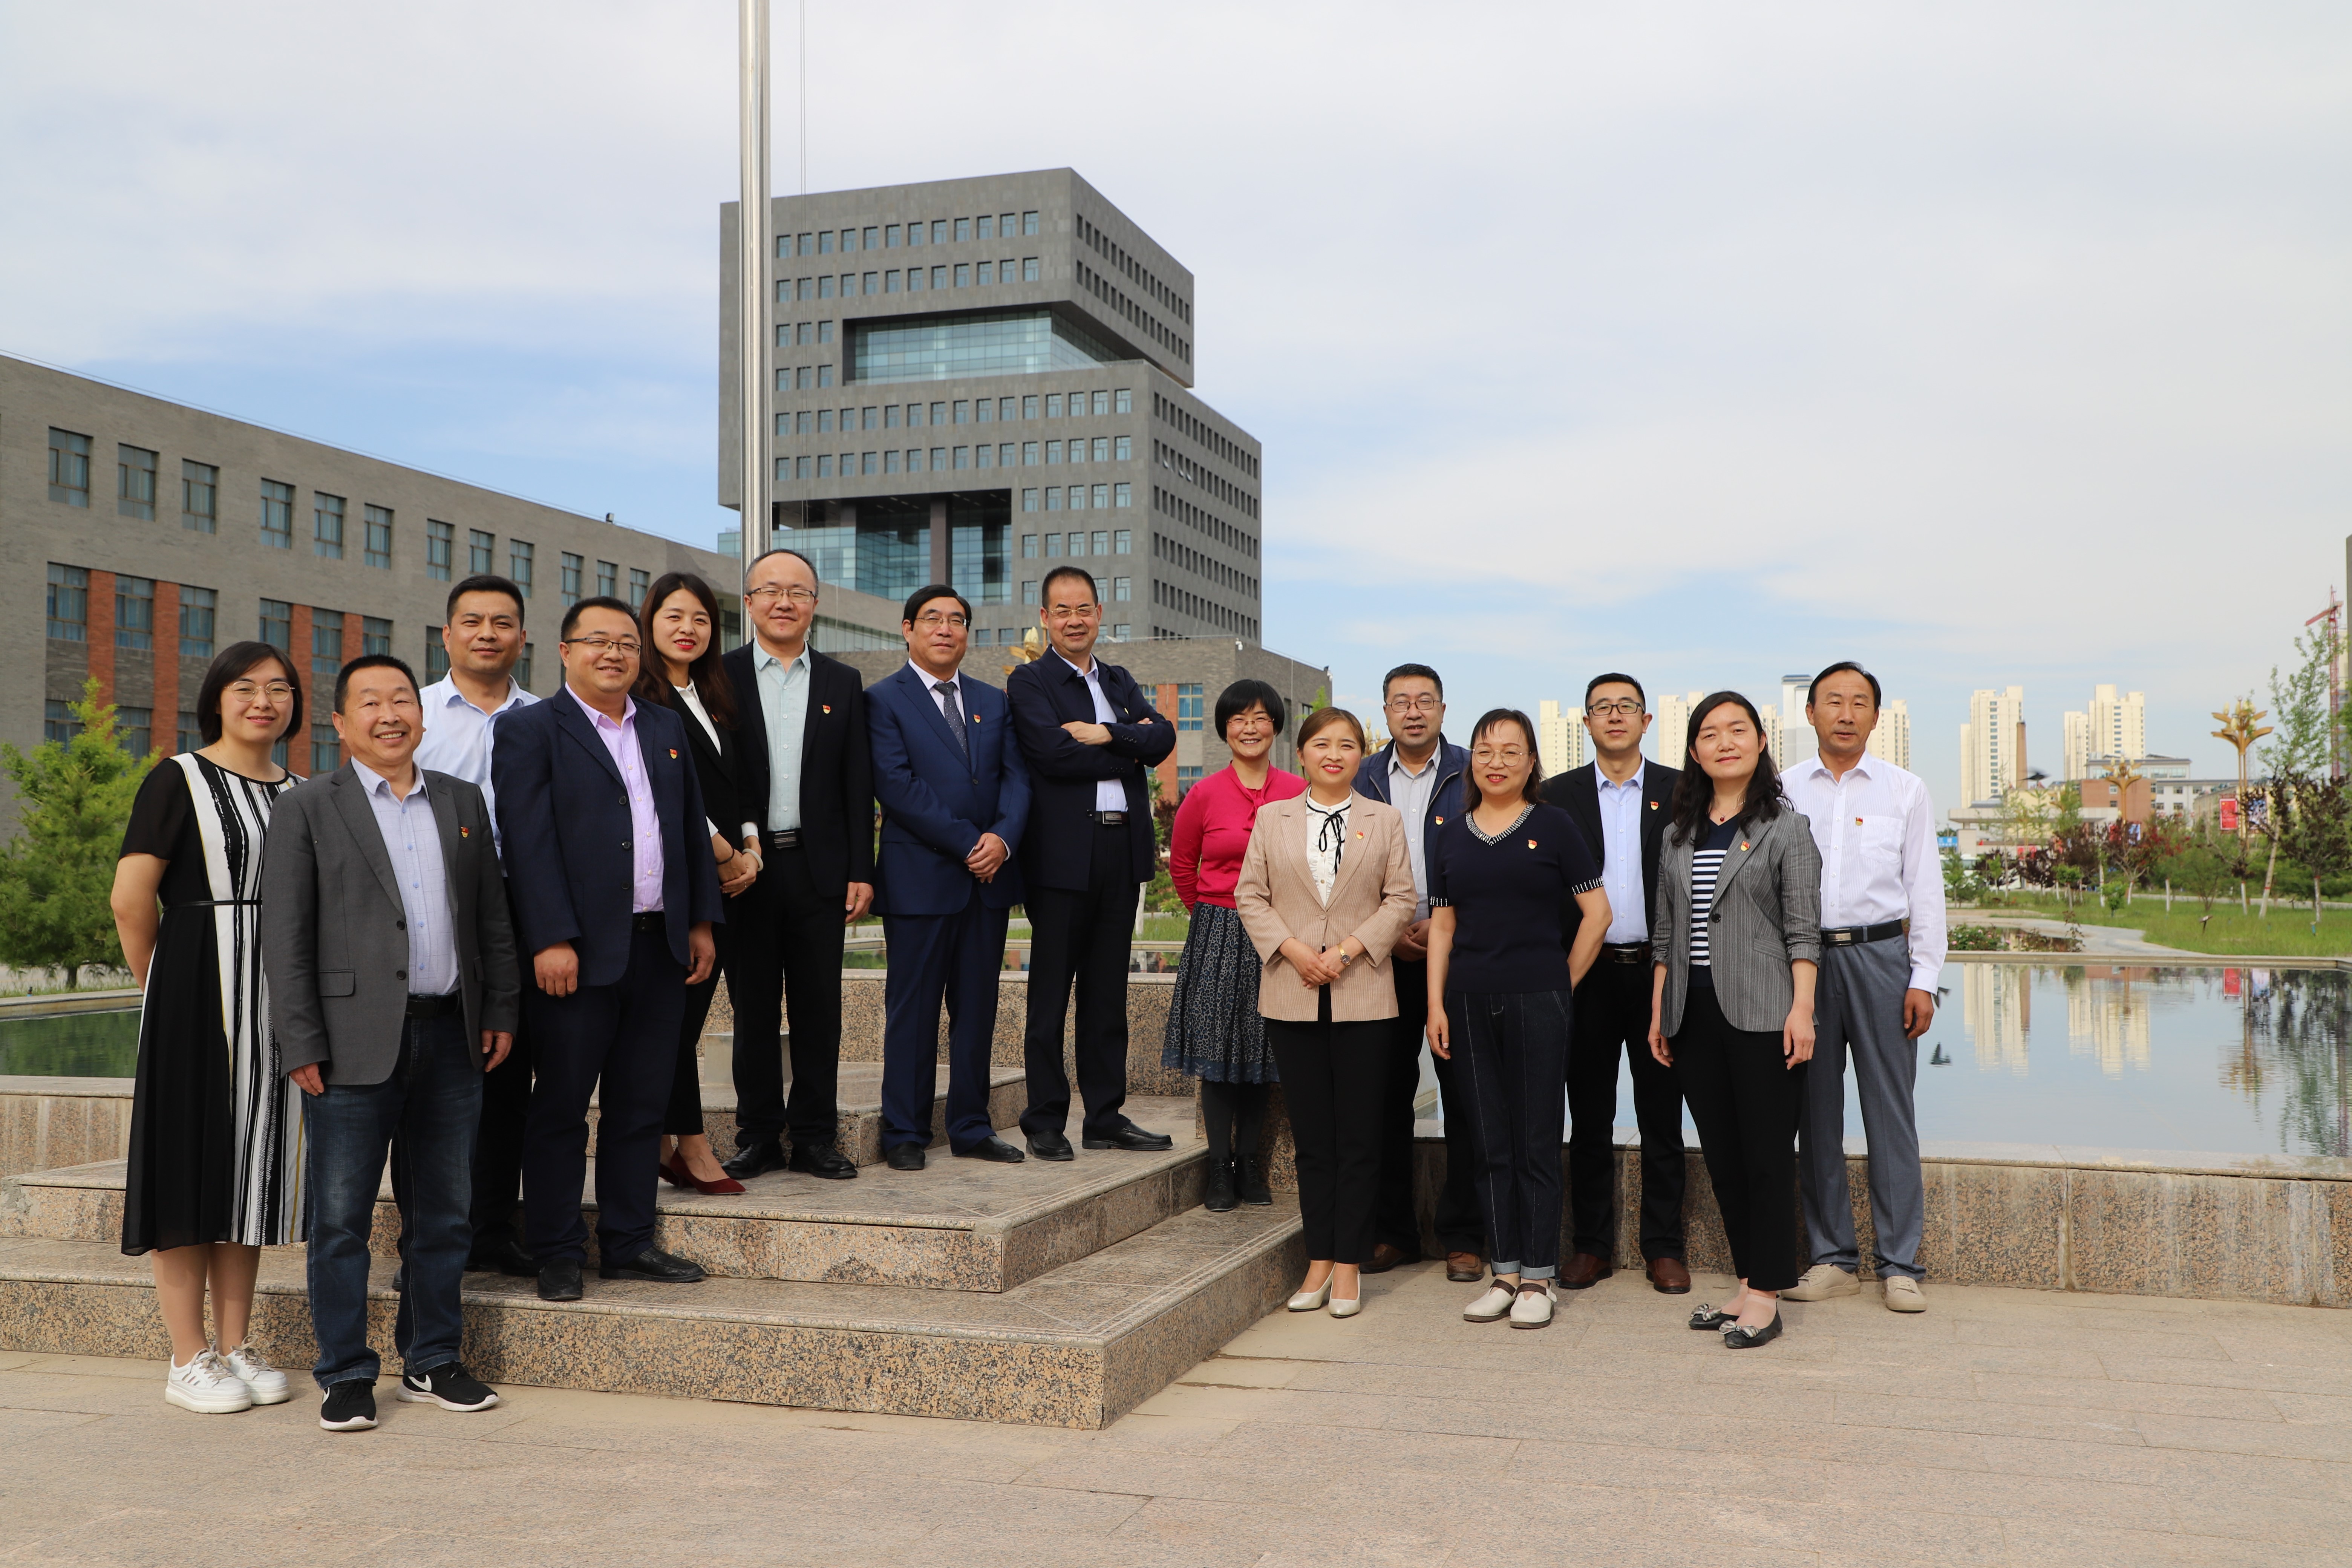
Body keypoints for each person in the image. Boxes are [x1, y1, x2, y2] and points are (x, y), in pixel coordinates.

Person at [262, 654, 520, 1432]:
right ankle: (345, 1371)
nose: (389, 714)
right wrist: (300, 1038)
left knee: (444, 1214)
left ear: (422, 713)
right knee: (341, 1221)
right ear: (341, 723)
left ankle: (433, 1359)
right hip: (349, 1044)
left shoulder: (461, 799)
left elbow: (492, 917)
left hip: (452, 1035)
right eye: (369, 703)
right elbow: (287, 935)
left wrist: (500, 1008)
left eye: (401, 699)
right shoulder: (309, 807)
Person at [493, 597, 724, 1302]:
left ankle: (629, 1243)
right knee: (562, 1107)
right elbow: (527, 843)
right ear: (565, 652)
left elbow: (687, 828)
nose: (615, 653)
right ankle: (559, 1250)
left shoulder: (663, 725)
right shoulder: (530, 729)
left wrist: (701, 921)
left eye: (627, 642)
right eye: (598, 641)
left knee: (641, 1104)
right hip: (577, 956)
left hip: (660, 946)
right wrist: (550, 938)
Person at [110, 643, 308, 1415]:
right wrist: (162, 988)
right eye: (246, 687)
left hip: (276, 1000)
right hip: (195, 987)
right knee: (186, 1166)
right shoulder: (179, 778)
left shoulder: (302, 791)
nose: (264, 701)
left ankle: (236, 1344)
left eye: (279, 689)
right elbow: (131, 899)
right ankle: (186, 1354)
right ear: (217, 700)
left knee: (250, 1167)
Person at [1646, 691, 1821, 1351]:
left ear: (1760, 742)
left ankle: (1767, 1296)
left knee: (1767, 1158)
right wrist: (1659, 1011)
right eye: (1710, 734)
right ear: (1694, 751)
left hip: (1763, 1013)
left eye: (1737, 730)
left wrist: (1801, 1010)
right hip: (1693, 1015)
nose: (1725, 742)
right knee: (1722, 1156)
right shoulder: (1677, 834)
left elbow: (1803, 930)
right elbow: (1667, 934)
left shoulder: (1786, 828)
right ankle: (1747, 1281)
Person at [1426, 710, 1609, 1331]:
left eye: (1511, 751)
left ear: (1532, 762)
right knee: (1488, 1141)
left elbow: (1598, 914)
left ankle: (1538, 1278)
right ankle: (1504, 1274)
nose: (1496, 762)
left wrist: (1561, 982)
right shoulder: (1451, 834)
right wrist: (1435, 1005)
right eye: (1485, 750)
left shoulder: (1553, 825)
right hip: (1467, 1001)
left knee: (1535, 1141)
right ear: (1471, 761)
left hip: (1538, 999)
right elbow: (1443, 927)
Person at [1234, 707, 1416, 1318]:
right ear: (1302, 754)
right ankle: (1318, 1258)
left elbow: (1401, 899)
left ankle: (1349, 1265)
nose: (1333, 754)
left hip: (1364, 992)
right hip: (1292, 991)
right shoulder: (1272, 818)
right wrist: (1293, 951)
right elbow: (1250, 895)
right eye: (1322, 744)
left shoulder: (1384, 819)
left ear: (1362, 755)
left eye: (1346, 745)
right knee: (1313, 1139)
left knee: (1360, 1137)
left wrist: (1344, 951)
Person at [1781, 661, 1946, 1313]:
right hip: (1805, 963)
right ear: (1811, 714)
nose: (1845, 714)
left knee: (1890, 1114)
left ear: (1877, 716)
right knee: (1815, 1116)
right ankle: (1833, 1259)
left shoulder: (1905, 790)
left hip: (1882, 959)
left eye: (1859, 703)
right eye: (1833, 701)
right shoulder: (1783, 789)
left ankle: (1900, 1265)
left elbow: (1925, 889)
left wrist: (1924, 977)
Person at [1005, 566, 1176, 1159]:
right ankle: (1044, 1120)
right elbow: (1051, 755)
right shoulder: (1030, 682)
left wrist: (1105, 734)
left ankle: (1105, 1118)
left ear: (1100, 614)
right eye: (1063, 610)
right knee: (1050, 996)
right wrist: (1130, 744)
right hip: (1062, 857)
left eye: (1085, 609)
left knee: (1107, 997)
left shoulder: (1119, 679)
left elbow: (1164, 739)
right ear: (1045, 618)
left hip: (1121, 852)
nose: (1074, 620)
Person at [719, 548, 874, 1183]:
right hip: (746, 871)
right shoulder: (719, 676)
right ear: (750, 601)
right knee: (753, 1009)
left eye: (799, 592)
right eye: (771, 590)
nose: (784, 602)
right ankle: (757, 1135)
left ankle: (814, 1136)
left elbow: (856, 782)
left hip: (820, 868)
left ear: (815, 604)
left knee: (819, 1010)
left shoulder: (842, 681)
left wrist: (862, 869)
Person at [867, 585, 1032, 1170]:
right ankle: (904, 1132)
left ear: (967, 633)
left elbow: (1016, 779)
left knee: (977, 1010)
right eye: (933, 619)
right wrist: (969, 843)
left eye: (957, 620)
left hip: (988, 882)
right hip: (920, 880)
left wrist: (1002, 840)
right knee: (912, 1013)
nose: (945, 629)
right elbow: (897, 785)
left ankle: (970, 1126)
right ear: (908, 630)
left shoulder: (992, 700)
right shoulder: (882, 700)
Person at [412, 573, 541, 1278]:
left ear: (523, 637)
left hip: (525, 912)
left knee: (508, 1076)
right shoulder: (415, 714)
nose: (487, 634)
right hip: (438, 911)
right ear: (447, 634)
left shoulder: (549, 717)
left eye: (502, 622)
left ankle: (492, 1228)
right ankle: (425, 1241)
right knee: (432, 1083)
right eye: (472, 621)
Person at [1551, 674, 1690, 1294]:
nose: (1614, 716)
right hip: (1587, 975)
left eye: (1626, 707)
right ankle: (1592, 1247)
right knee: (1589, 1117)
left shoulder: (1680, 792)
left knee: (1662, 1115)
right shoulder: (1557, 796)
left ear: (1646, 720)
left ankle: (1664, 1248)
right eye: (1602, 708)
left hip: (1659, 973)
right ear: (1586, 723)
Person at [1352, 664, 1484, 1282]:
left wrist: (1442, 924)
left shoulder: (1473, 772)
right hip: (1378, 959)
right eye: (1400, 702)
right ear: (1385, 712)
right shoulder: (1361, 776)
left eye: (1424, 701)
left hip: (1456, 955)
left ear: (1443, 710)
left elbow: (1494, 854)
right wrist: (1388, 931)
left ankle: (1465, 1236)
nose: (1413, 711)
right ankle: (1392, 1233)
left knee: (1466, 1096)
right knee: (1382, 1096)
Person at [636, 572, 762, 1196]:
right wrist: (724, 853)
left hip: (729, 878)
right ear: (650, 622)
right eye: (674, 616)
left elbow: (737, 782)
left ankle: (665, 1140)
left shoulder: (714, 692)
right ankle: (691, 1144)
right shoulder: (640, 697)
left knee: (688, 1016)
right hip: (680, 879)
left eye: (701, 619)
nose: (688, 629)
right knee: (676, 1022)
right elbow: (666, 793)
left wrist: (752, 850)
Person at [1164, 680, 1305, 1210]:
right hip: (1219, 929)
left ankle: (1250, 1165)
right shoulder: (1204, 794)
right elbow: (1183, 866)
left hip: (1281, 936)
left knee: (1264, 1052)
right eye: (1239, 719)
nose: (1250, 727)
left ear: (1276, 728)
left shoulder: (1298, 790)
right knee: (1218, 1056)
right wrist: (1210, 915)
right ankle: (1219, 1170)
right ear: (1225, 729)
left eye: (1261, 718)